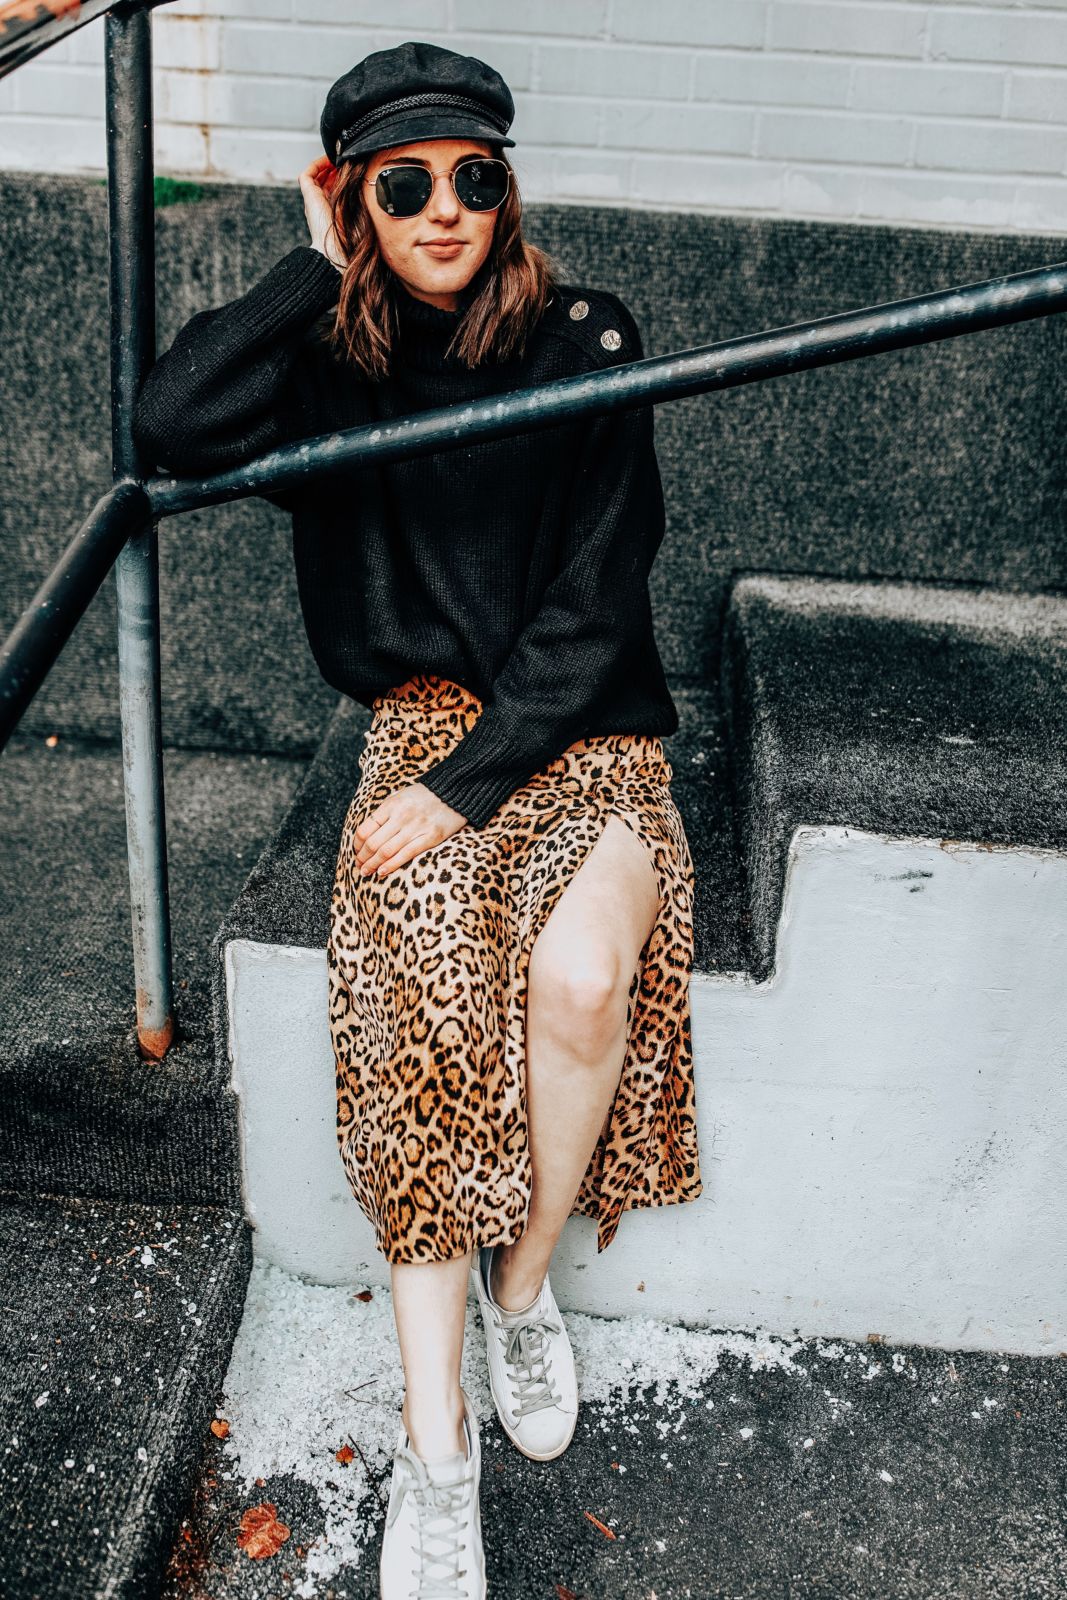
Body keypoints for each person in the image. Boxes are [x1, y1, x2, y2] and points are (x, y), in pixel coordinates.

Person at [133, 39, 703, 1600]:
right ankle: (437, 1450)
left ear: (509, 189)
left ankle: (527, 1294)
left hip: (584, 727)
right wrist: (304, 273)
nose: (444, 206)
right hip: (419, 726)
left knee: (581, 983)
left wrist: (473, 791)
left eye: (474, 174)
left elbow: (601, 602)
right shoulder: (328, 359)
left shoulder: (589, 335)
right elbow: (170, 424)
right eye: (403, 182)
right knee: (421, 1006)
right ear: (352, 199)